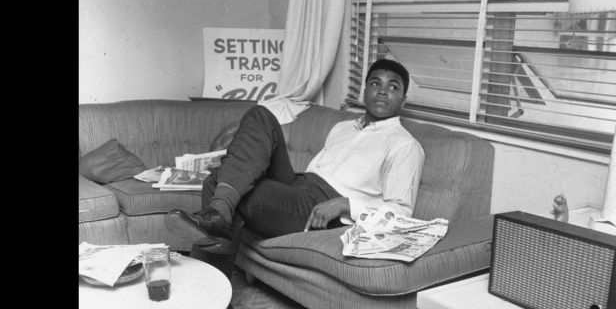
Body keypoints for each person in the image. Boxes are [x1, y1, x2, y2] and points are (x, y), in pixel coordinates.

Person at [164, 58, 425, 256]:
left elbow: (402, 213)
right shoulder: (343, 128)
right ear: (365, 90)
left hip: (320, 206)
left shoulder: (404, 145)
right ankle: (219, 216)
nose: (382, 91)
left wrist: (346, 204)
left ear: (403, 98)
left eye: (392, 87)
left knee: (228, 187)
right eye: (375, 83)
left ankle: (218, 223)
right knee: (261, 115)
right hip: (297, 186)